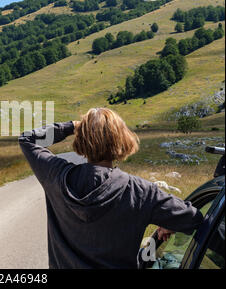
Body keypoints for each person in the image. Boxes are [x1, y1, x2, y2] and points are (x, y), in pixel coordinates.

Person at [18, 108, 204, 269]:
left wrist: (74, 126)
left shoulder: (57, 175)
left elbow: (28, 139)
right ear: (122, 139)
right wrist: (169, 220)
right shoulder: (141, 192)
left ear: (81, 139)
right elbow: (194, 219)